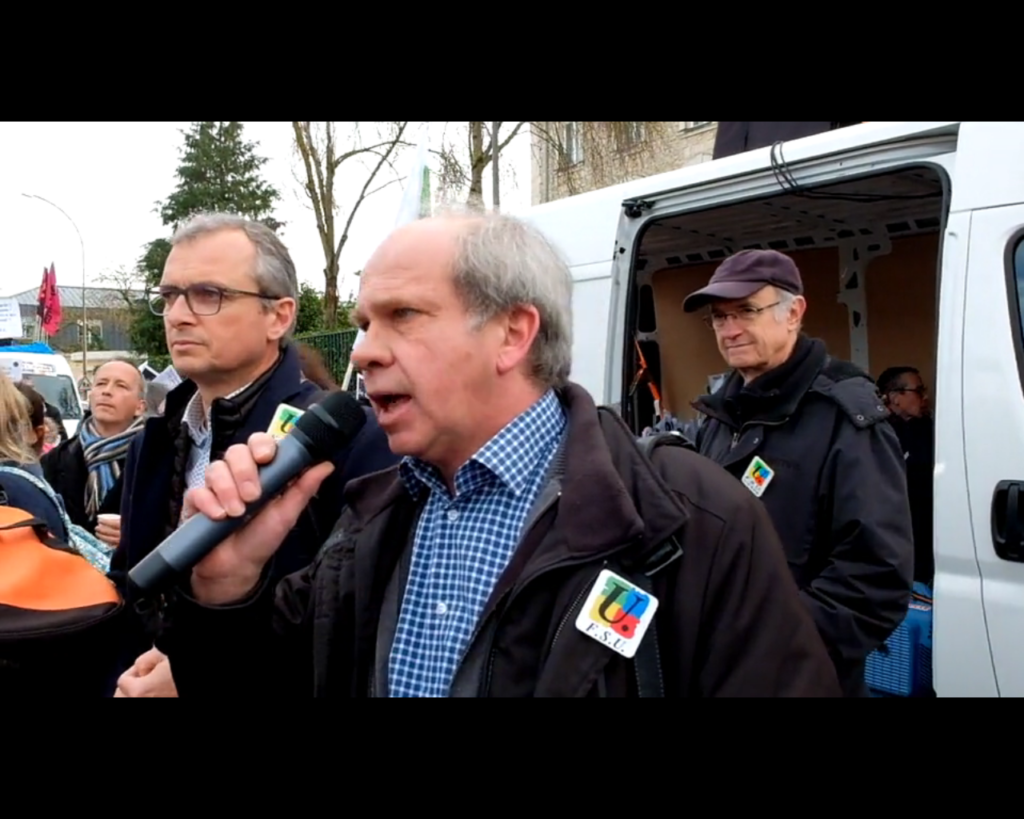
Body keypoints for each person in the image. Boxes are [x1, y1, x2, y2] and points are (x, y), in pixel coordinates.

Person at [157, 210, 841, 697]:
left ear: (513, 333)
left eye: (403, 315)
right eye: (365, 322)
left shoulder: (690, 521)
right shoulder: (368, 522)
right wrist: (224, 590)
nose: (363, 350)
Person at [109, 212, 398, 697]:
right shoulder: (154, 439)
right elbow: (131, 588)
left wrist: (196, 671)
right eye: (169, 296)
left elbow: (352, 626)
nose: (179, 314)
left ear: (278, 316)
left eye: (208, 295)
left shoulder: (344, 440)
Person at [681, 248, 914, 696]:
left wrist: (771, 651)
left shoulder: (844, 420)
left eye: (746, 311)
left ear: (795, 313)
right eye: (719, 317)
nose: (729, 331)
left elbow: (875, 579)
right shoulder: (720, 417)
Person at [42, 358, 146, 544]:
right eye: (101, 383)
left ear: (140, 406)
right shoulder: (56, 459)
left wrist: (137, 536)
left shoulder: (155, 457)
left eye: (121, 386)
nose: (107, 391)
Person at [878, 366, 934, 586]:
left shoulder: (926, 428)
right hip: (897, 540)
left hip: (927, 534)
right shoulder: (879, 435)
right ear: (895, 397)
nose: (924, 397)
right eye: (918, 391)